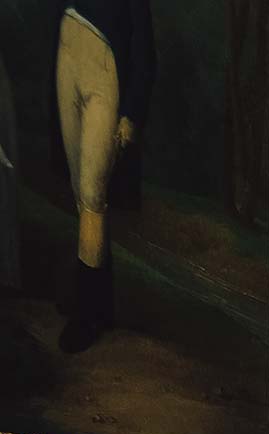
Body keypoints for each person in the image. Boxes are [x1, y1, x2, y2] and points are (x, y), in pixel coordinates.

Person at [53, 0, 156, 353]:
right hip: (67, 53)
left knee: (93, 193)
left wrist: (131, 112)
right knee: (80, 191)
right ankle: (99, 301)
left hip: (104, 71)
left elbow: (145, 49)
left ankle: (86, 313)